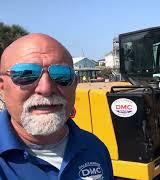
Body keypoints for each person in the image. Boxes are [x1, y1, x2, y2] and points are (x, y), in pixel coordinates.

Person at [0, 34, 113, 179]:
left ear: (75, 84)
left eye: (61, 75)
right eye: (26, 74)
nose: (46, 89)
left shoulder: (95, 148)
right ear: (2, 88)